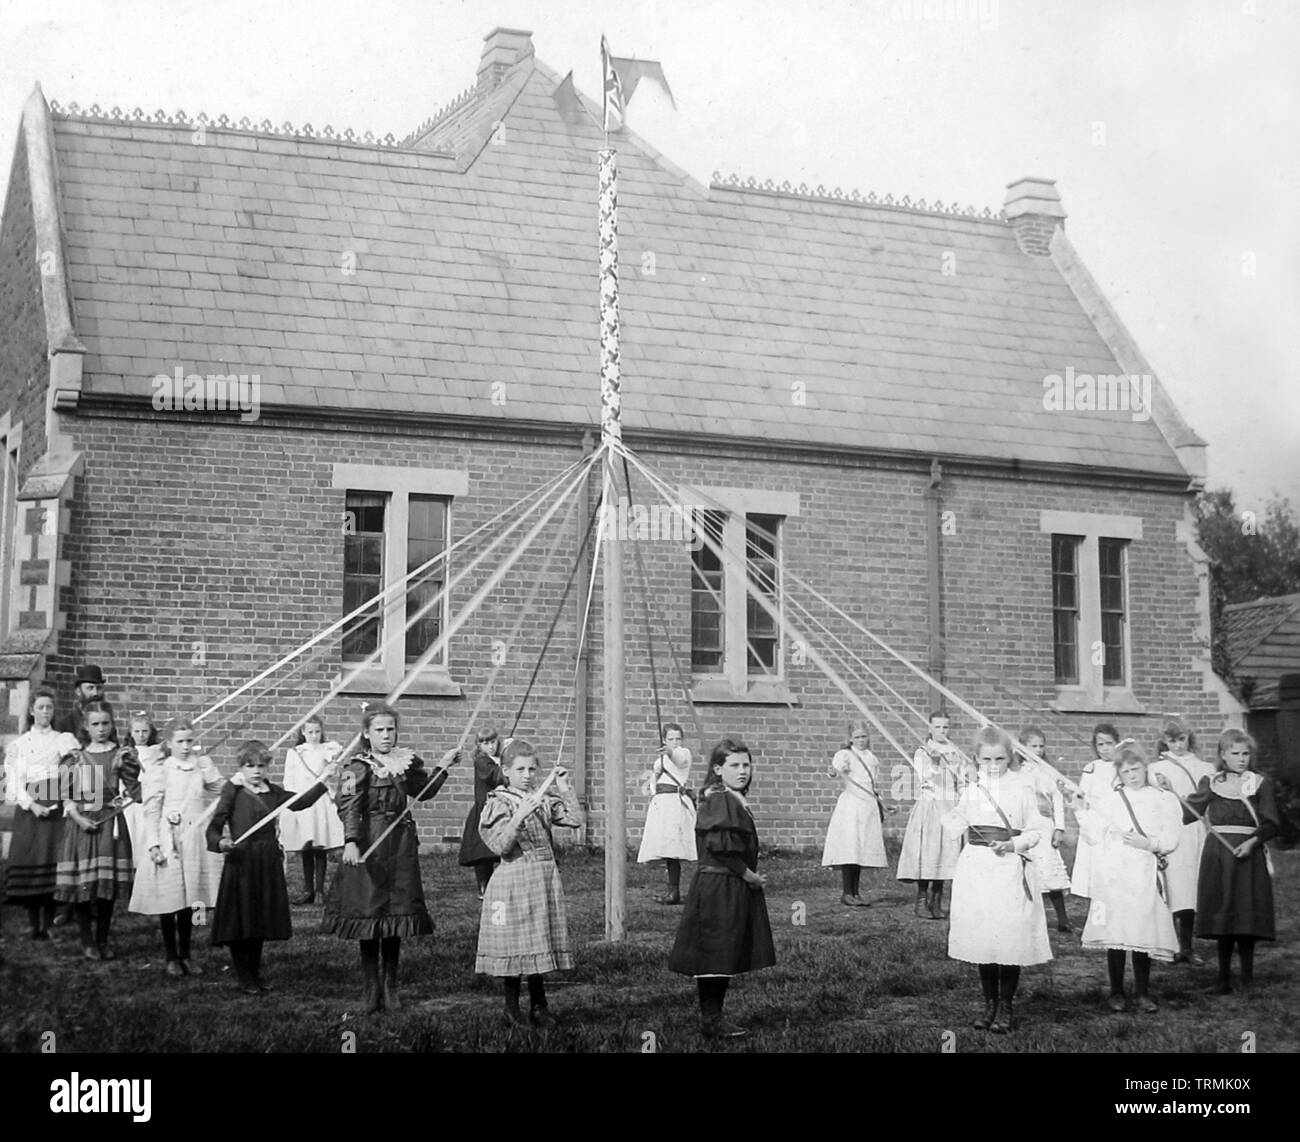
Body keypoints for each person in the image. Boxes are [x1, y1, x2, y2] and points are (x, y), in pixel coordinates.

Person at [321, 702, 458, 1014]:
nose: (386, 735)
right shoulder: (354, 767)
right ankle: (371, 988)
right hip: (369, 844)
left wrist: (444, 767)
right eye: (379, 730)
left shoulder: (404, 762)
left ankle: (390, 986)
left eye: (390, 729)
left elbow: (423, 792)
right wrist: (351, 841)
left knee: (396, 913)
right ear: (367, 734)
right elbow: (348, 806)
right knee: (370, 911)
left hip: (399, 846)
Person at [941, 725, 1051, 1034]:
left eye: (999, 760)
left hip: (1009, 868)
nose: (992, 766)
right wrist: (944, 807)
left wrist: (1013, 845)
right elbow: (957, 822)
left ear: (1009, 758)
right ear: (976, 759)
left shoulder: (1021, 788)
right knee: (984, 935)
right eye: (986, 760)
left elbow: (1035, 830)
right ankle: (989, 1003)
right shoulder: (972, 789)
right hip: (977, 869)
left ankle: (1006, 1004)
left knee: (1008, 935)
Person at [207, 740, 339, 994]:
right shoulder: (232, 791)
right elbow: (214, 826)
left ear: (267, 767)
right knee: (240, 918)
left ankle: (255, 971)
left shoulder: (274, 793)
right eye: (249, 765)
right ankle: (243, 974)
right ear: (241, 767)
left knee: (258, 920)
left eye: (261, 765)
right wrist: (221, 842)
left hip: (266, 862)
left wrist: (324, 781)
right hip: (241, 861)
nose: (256, 771)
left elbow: (300, 802)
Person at [668, 738, 776, 1040]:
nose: (743, 771)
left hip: (729, 883)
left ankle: (714, 1017)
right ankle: (711, 1019)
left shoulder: (732, 797)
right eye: (734, 765)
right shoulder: (719, 799)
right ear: (718, 769)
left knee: (725, 952)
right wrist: (749, 876)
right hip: (719, 885)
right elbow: (720, 847)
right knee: (715, 952)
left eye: (746, 764)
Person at [475, 738, 585, 1028]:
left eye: (532, 769)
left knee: (538, 941)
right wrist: (520, 815)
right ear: (506, 771)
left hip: (542, 880)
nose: (527, 775)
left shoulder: (542, 799)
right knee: (514, 944)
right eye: (520, 769)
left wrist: (563, 787)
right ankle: (511, 1009)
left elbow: (575, 819)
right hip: (513, 881)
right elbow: (499, 846)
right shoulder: (498, 803)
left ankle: (539, 1006)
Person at [1170, 728, 1278, 995]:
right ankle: (1223, 978)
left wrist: (1252, 843)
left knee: (1245, 914)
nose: (1241, 758)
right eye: (1235, 753)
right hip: (1218, 855)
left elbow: (1272, 823)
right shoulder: (1212, 781)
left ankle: (1247, 979)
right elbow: (1189, 812)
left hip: (1247, 853)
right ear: (1222, 755)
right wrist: (1168, 791)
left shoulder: (1259, 783)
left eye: (1245, 753)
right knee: (1224, 914)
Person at [1076, 740, 1181, 1012]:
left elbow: (1171, 837)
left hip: (1144, 870)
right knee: (1117, 929)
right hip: (1115, 870)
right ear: (1118, 774)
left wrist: (1150, 844)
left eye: (1136, 769)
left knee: (1143, 928)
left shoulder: (1162, 799)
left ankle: (1143, 991)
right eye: (1125, 772)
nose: (1132, 776)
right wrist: (1078, 808)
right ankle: (1116, 990)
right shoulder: (1111, 800)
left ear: (1146, 768)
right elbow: (1093, 832)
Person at [128, 718, 226, 976]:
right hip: (168, 837)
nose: (185, 746)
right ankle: (171, 955)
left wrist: (209, 766)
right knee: (169, 897)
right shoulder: (161, 770)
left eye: (189, 741)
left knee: (191, 899)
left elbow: (222, 791)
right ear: (169, 743)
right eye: (179, 741)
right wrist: (153, 843)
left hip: (194, 837)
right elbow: (151, 809)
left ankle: (187, 953)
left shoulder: (199, 767)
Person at [54, 701, 138, 960]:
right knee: (83, 884)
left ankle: (102, 938)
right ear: (86, 726)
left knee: (106, 885)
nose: (101, 729)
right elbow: (64, 795)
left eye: (106, 723)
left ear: (112, 725)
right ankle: (87, 940)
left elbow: (136, 791)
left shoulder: (120, 755)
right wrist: (77, 817)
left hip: (109, 824)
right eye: (95, 724)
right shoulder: (75, 757)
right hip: (81, 824)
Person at [3, 689, 83, 939]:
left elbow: (76, 769)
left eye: (49, 707)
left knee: (52, 861)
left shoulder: (63, 739)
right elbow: (15, 780)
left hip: (55, 808)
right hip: (30, 810)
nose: (45, 712)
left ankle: (48, 924)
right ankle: (32, 923)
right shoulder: (20, 744)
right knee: (31, 860)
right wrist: (31, 804)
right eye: (41, 707)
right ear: (31, 711)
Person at [1148, 716, 1216, 965]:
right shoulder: (1157, 768)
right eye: (1171, 740)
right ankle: (1170, 944)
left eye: (1181, 739)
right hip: (1171, 832)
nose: (1177, 745)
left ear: (1190, 738)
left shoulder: (1204, 768)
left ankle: (1187, 946)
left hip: (1194, 832)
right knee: (1172, 886)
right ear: (1163, 741)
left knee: (1190, 887)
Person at [897, 711, 966, 919]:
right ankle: (921, 900)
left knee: (946, 852)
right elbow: (923, 777)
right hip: (931, 804)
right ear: (930, 727)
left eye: (946, 727)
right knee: (929, 851)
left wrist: (962, 802)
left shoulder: (956, 752)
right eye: (937, 727)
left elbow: (961, 780)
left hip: (950, 805)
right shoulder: (923, 751)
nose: (942, 731)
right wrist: (935, 763)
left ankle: (937, 900)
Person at [822, 721, 892, 906]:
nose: (861, 740)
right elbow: (836, 771)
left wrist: (882, 804)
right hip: (852, 805)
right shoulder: (846, 754)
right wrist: (832, 772)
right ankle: (847, 892)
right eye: (857, 737)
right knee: (850, 847)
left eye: (864, 736)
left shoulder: (872, 758)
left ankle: (856, 891)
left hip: (868, 806)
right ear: (850, 739)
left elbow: (872, 786)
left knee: (860, 848)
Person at [1011, 727, 1074, 932]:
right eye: (1033, 746)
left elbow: (1056, 798)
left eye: (1041, 746)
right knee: (1028, 871)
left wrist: (1059, 828)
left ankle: (1062, 919)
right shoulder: (1015, 771)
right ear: (1022, 747)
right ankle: (1029, 918)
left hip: (1045, 826)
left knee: (1050, 871)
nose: (1037, 750)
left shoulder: (1048, 770)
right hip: (1025, 826)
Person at [278, 714, 343, 905]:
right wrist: (291, 800)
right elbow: (288, 778)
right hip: (302, 800)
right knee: (306, 844)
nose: (314, 736)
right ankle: (308, 889)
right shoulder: (295, 752)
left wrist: (334, 761)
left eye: (317, 731)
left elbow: (334, 767)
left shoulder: (326, 749)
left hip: (320, 801)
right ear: (303, 732)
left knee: (319, 844)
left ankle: (320, 889)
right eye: (310, 732)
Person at [636, 722, 697, 905]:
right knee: (668, 850)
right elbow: (654, 783)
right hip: (662, 804)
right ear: (664, 740)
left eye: (678, 738)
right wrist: (651, 778)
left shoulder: (683, 753)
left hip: (675, 804)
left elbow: (678, 759)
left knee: (674, 848)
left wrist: (669, 752)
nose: (675, 742)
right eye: (671, 739)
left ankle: (676, 891)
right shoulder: (659, 761)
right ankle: (673, 890)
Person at [1069, 723, 1119, 902]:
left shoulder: (1122, 766)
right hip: (1095, 824)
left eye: (1109, 743)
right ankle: (1096, 918)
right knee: (1095, 873)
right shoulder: (1092, 768)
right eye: (1101, 744)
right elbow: (1081, 799)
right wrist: (1085, 822)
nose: (1105, 749)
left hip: (1116, 823)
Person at [457, 724, 506, 899]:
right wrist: (502, 763)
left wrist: (506, 755)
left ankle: (497, 885)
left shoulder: (497, 759)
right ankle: (484, 887)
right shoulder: (481, 761)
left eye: (493, 742)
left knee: (499, 850)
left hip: (497, 808)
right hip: (484, 809)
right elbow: (495, 776)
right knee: (482, 853)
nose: (490, 746)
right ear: (479, 745)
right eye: (485, 743)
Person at [121, 711, 166, 858]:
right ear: (131, 733)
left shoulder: (157, 752)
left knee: (146, 833)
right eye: (137, 731)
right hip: (130, 802)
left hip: (149, 799)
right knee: (131, 833)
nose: (141, 735)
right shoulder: (126, 753)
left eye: (145, 731)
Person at [56, 664, 107, 741]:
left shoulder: (106, 720)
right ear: (78, 691)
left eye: (98, 688)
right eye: (90, 688)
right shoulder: (66, 723)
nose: (95, 693)